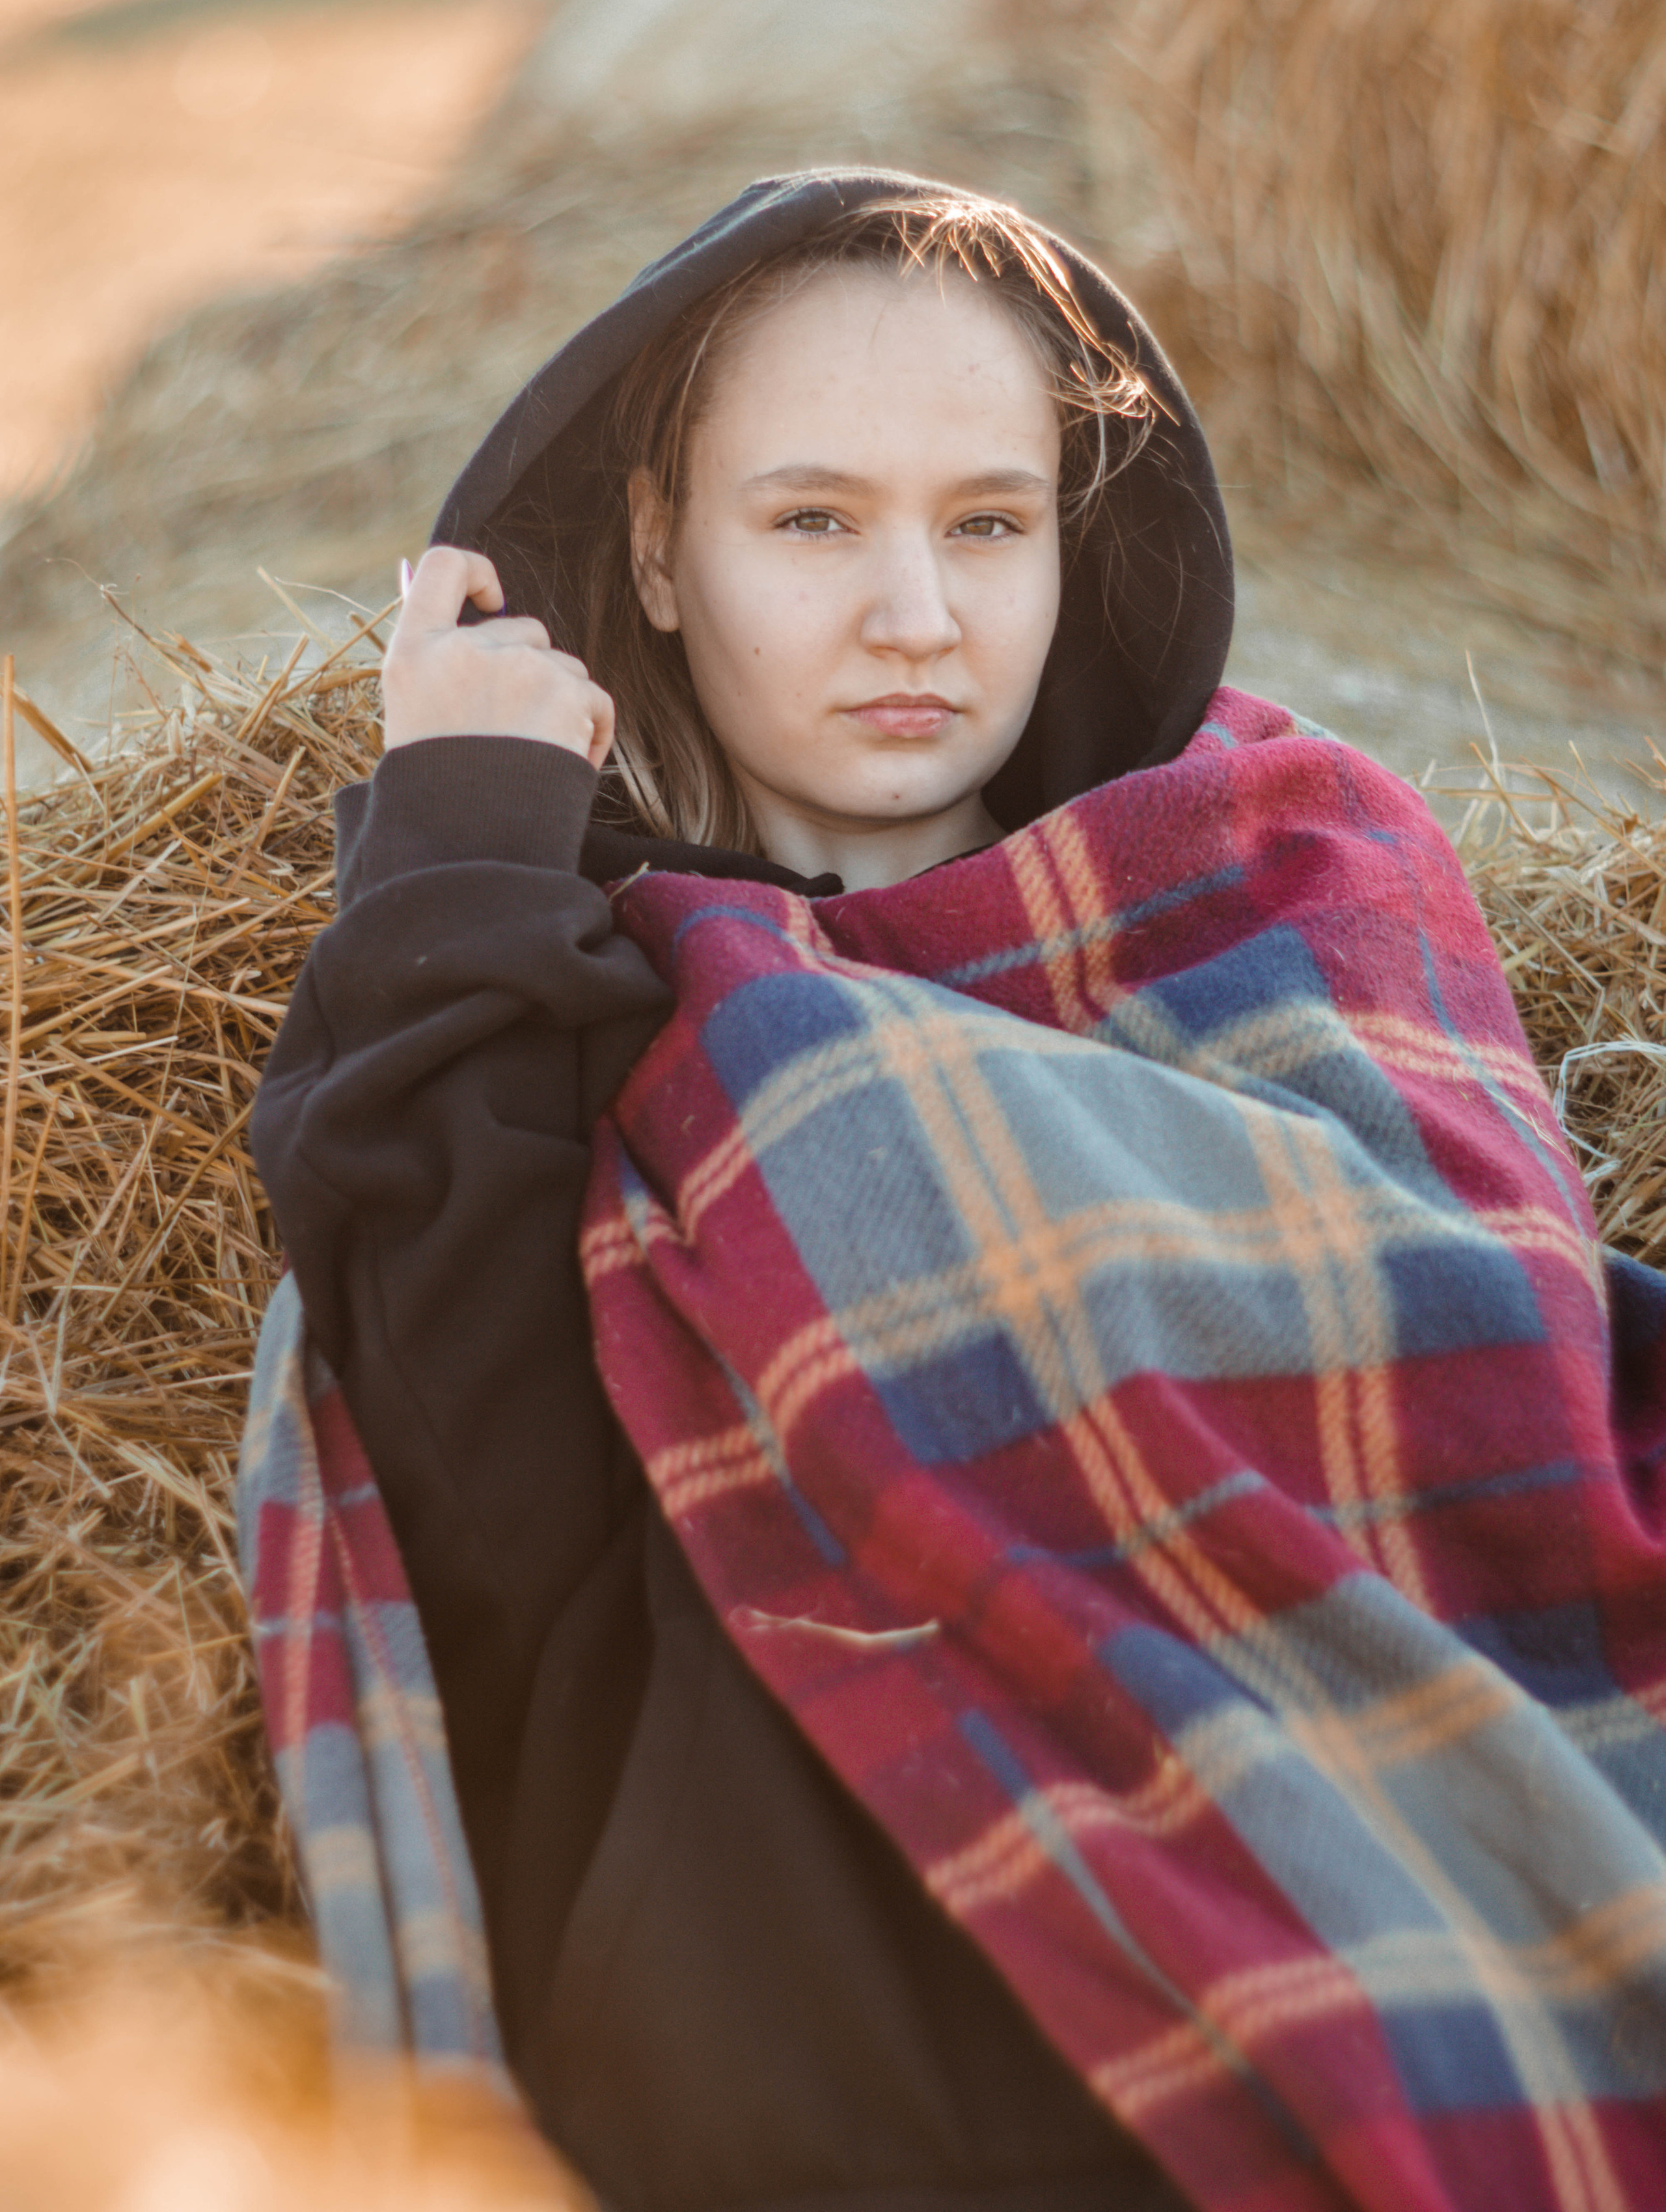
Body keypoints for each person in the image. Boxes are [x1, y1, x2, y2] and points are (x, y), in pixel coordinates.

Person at [252, 174, 1666, 2212]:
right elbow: (483, 1498)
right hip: (899, 1959)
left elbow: (1495, 1390)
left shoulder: (1279, 870)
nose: (918, 610)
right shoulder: (551, 991)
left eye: (988, 522)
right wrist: (463, 835)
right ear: (655, 551)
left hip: (1427, 1818)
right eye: (813, 519)